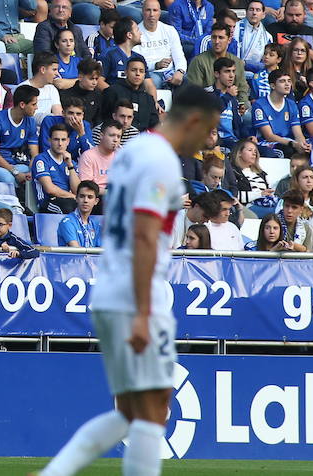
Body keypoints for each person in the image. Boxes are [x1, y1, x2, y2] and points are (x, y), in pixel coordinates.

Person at [35, 85, 220, 476]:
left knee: (135, 409)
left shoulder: (133, 151)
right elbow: (144, 232)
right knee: (153, 411)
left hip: (112, 287)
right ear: (192, 121)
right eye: (209, 129)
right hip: (137, 293)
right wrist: (143, 309)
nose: (210, 139)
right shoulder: (159, 160)